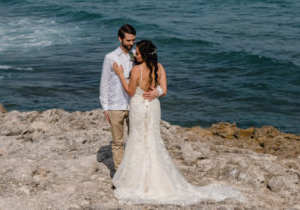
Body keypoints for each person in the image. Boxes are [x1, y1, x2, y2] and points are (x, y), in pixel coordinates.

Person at [110, 40, 244, 205]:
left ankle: (135, 180)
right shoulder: (160, 68)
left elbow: (131, 91)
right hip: (153, 106)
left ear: (144, 55)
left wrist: (120, 74)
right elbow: (164, 90)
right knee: (152, 139)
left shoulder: (137, 70)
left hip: (138, 105)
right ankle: (156, 178)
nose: (135, 56)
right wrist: (156, 93)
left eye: (137, 53)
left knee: (137, 138)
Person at [99, 24, 161, 170]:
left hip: (135, 105)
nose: (131, 43)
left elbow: (153, 71)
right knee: (118, 142)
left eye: (133, 40)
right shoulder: (110, 58)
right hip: (116, 105)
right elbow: (104, 84)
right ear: (120, 39)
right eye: (128, 40)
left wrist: (157, 91)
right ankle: (119, 174)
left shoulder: (137, 55)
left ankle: (136, 170)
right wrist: (105, 108)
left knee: (137, 139)